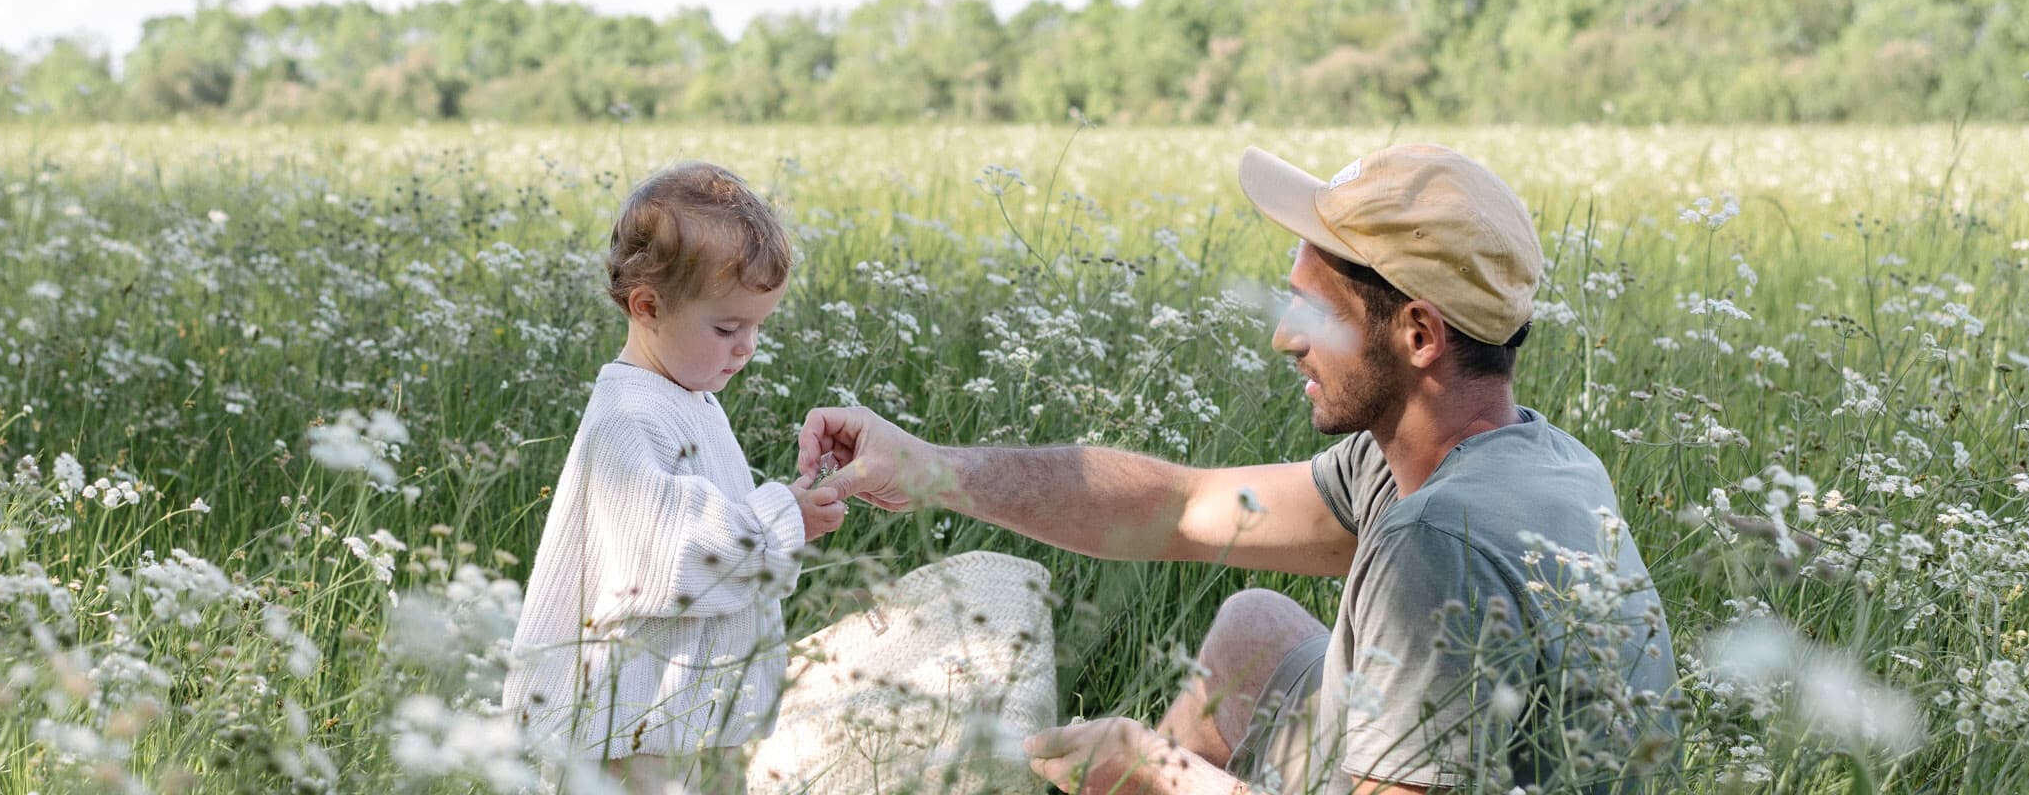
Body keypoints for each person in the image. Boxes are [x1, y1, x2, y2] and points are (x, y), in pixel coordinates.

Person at [798, 144, 1675, 794]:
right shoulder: (1516, 458)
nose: (1285, 336)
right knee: (1255, 631)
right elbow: (1183, 509)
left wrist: (1160, 774)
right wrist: (935, 468)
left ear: (1417, 334)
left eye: (1313, 311)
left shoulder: (1436, 539)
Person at [502, 161, 851, 794]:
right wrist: (781, 519)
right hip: (636, 718)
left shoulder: (685, 396)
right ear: (648, 306)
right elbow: (670, 556)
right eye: (726, 328)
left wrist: (793, 508)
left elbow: (708, 517)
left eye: (756, 327)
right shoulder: (628, 417)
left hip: (694, 706)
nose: (746, 348)